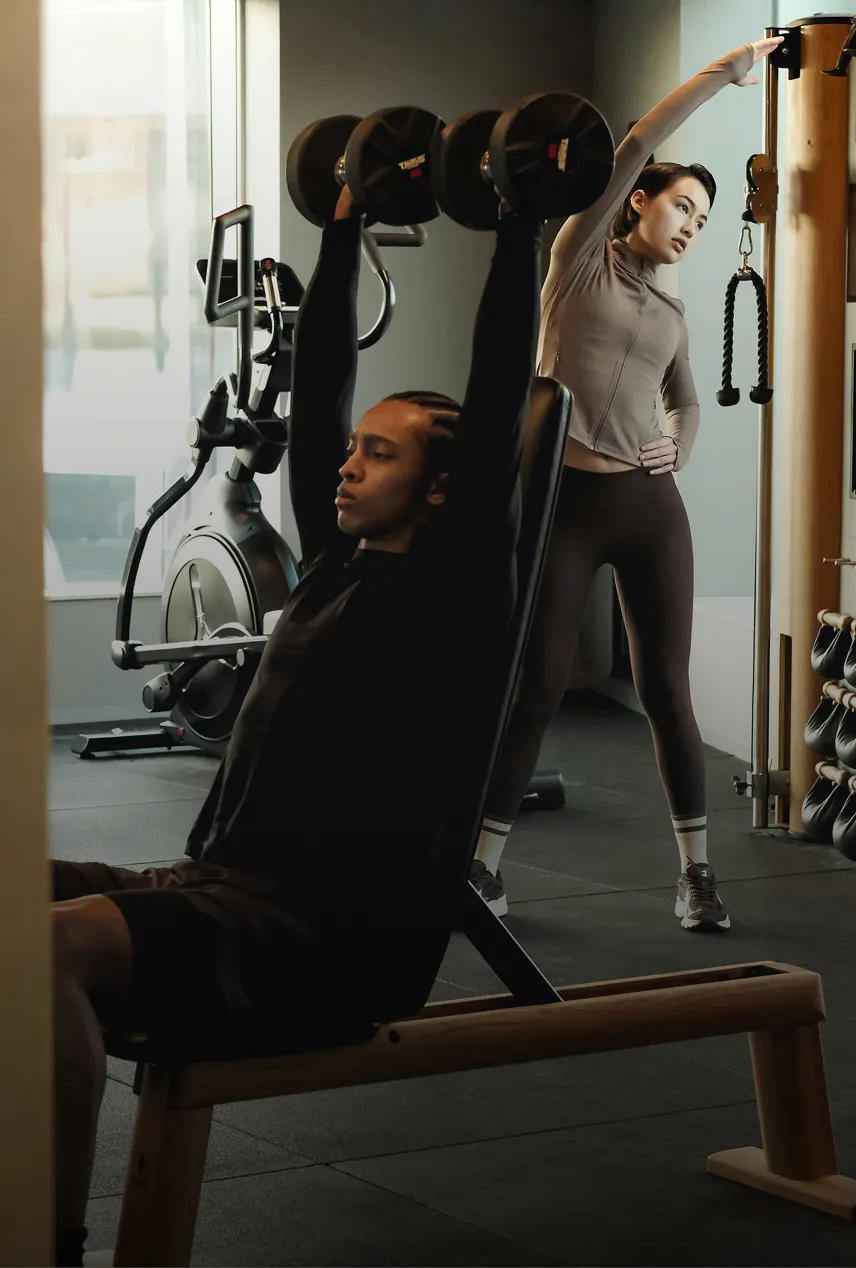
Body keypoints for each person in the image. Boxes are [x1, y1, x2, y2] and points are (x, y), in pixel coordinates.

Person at [49, 184, 544, 1267]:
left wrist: (522, 220)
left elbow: (500, 385)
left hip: (324, 943)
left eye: (380, 454)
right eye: (355, 450)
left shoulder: (456, 593)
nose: (347, 463)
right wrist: (337, 228)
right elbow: (319, 393)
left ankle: (51, 1235)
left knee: (50, 945)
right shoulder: (335, 564)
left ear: (446, 490)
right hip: (213, 888)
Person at [470, 36, 784, 933]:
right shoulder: (577, 259)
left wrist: (675, 451)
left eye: (702, 218)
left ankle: (697, 876)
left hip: (647, 511)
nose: (690, 225)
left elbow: (688, 409)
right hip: (566, 502)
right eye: (682, 205)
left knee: (667, 694)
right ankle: (484, 871)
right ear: (636, 201)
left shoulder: (675, 313)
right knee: (537, 686)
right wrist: (725, 76)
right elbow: (641, 138)